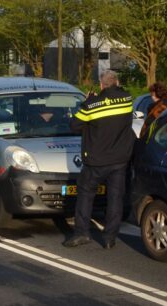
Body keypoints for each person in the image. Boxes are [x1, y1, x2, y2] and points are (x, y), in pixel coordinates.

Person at [64, 70, 134, 249]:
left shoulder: (92, 106)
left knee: (86, 195)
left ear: (102, 85)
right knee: (115, 198)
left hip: (96, 160)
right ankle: (110, 237)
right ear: (117, 82)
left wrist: (87, 102)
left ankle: (81, 233)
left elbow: (74, 125)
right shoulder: (127, 99)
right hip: (119, 159)